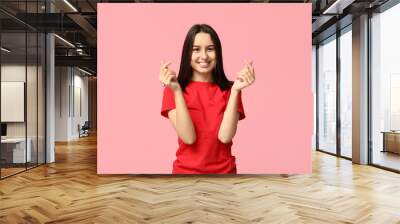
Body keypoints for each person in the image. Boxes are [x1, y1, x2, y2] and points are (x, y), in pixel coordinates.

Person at [159, 24, 255, 174]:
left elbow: (225, 137)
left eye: (210, 49)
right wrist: (177, 91)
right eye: (196, 49)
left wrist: (236, 90)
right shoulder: (172, 90)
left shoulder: (230, 90)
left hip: (225, 176)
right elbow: (189, 138)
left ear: (218, 53)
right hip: (185, 176)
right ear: (187, 53)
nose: (204, 56)